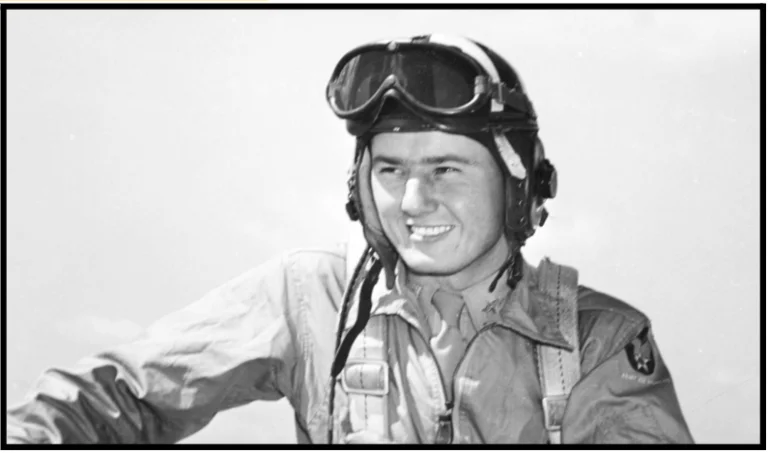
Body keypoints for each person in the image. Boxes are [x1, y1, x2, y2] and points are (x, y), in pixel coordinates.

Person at [6, 34, 694, 444]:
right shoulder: (312, 295)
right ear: (360, 185)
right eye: (389, 169)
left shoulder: (596, 339)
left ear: (517, 186)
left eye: (446, 169)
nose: (412, 200)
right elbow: (117, 396)